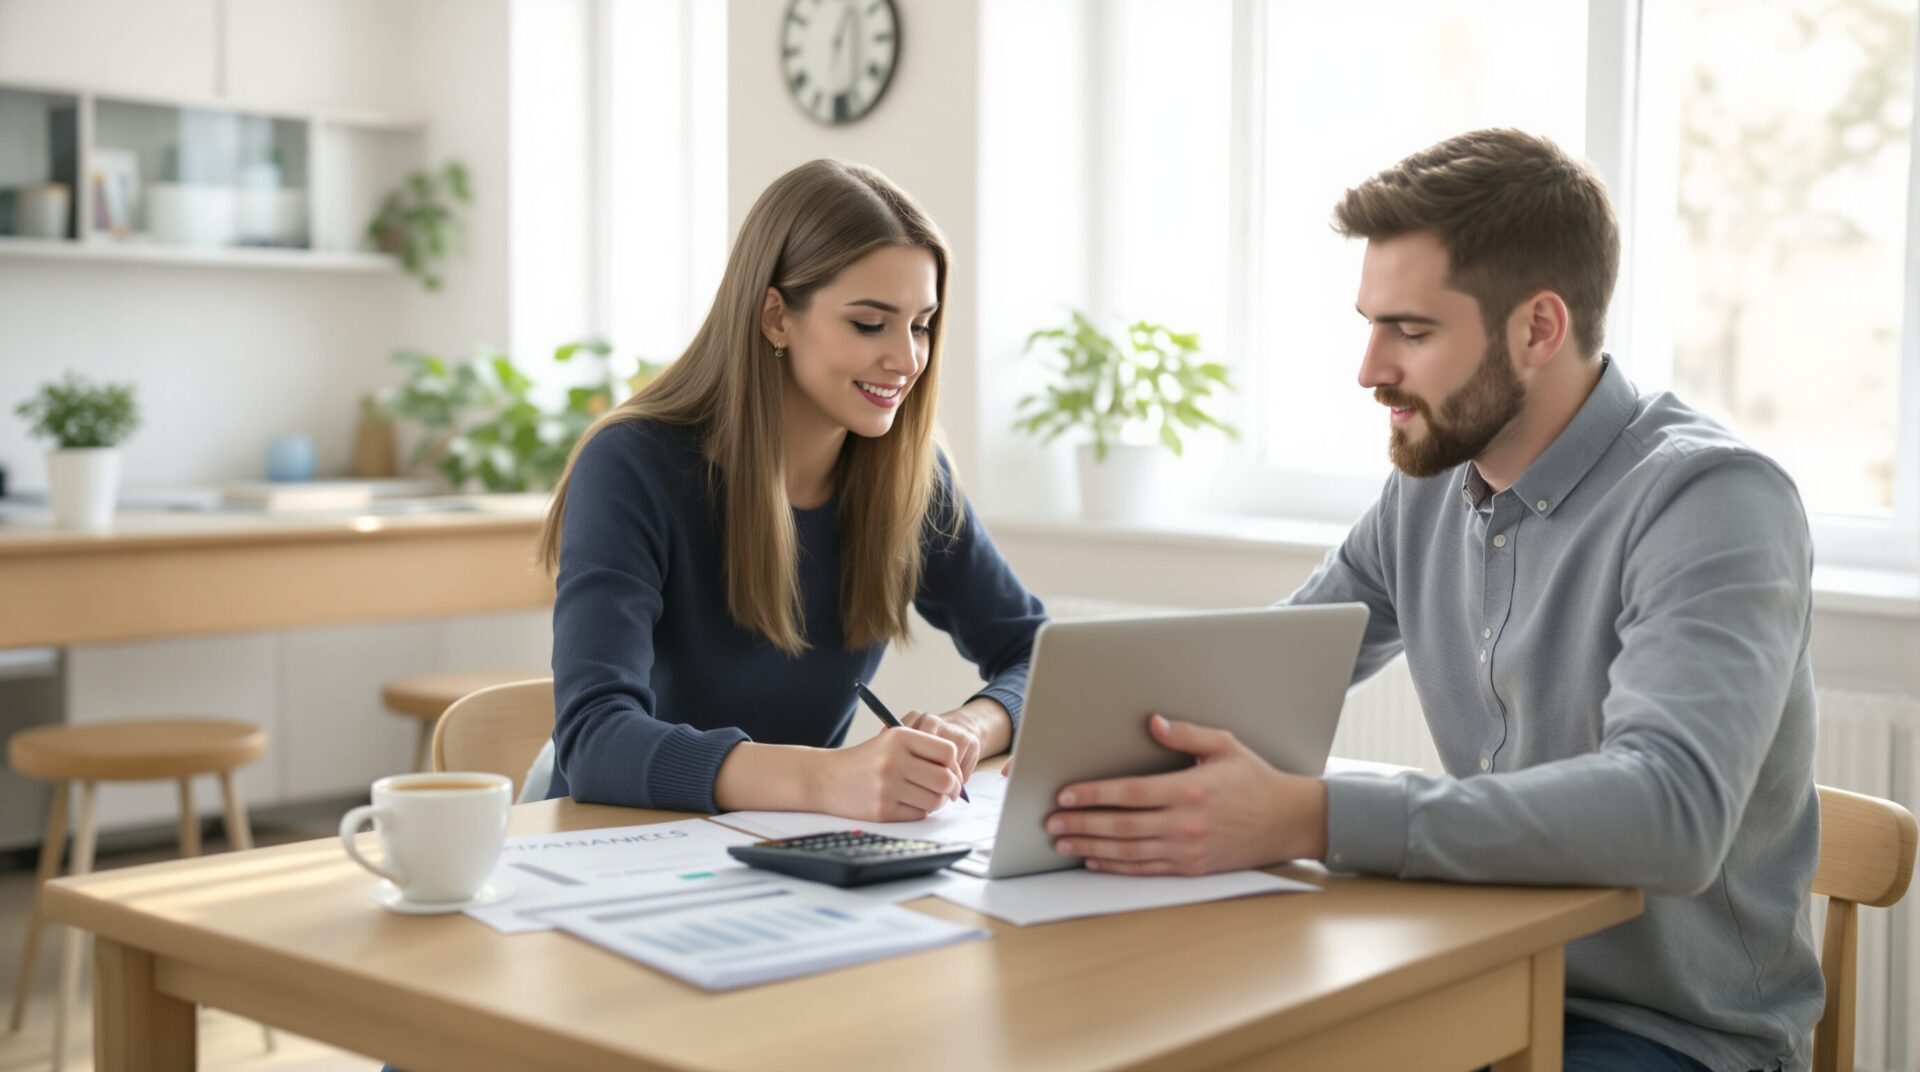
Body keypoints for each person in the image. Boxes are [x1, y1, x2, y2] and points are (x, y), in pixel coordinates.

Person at [1043, 129, 1822, 1071]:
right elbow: (1268, 670)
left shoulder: (1712, 500)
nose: (1370, 369)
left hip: (1670, 1037)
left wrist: (1314, 816)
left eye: (1410, 332)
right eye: (1371, 324)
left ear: (1539, 327)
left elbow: (1673, 811)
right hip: (1477, 974)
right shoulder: (1429, 488)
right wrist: (1058, 762)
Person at [529, 158, 1045, 820]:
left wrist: (973, 727)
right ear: (776, 316)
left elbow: (1038, 655)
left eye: (921, 324)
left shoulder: (911, 477)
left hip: (783, 847)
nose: (907, 358)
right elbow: (596, 742)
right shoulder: (632, 465)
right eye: (869, 323)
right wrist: (828, 780)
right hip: (606, 842)